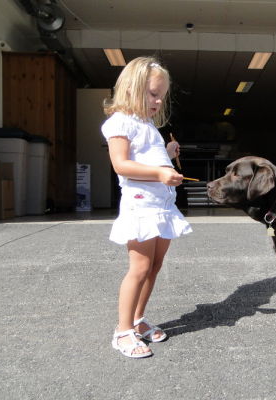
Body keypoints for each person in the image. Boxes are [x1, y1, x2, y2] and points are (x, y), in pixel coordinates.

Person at [101, 57, 192, 358]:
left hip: (161, 206)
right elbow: (121, 164)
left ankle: (138, 320)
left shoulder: (148, 125)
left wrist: (166, 153)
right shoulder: (120, 122)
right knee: (139, 269)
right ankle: (122, 331)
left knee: (154, 266)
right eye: (153, 94)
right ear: (131, 88)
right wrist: (159, 173)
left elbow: (147, 157)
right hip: (141, 208)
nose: (157, 101)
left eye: (161, 96)